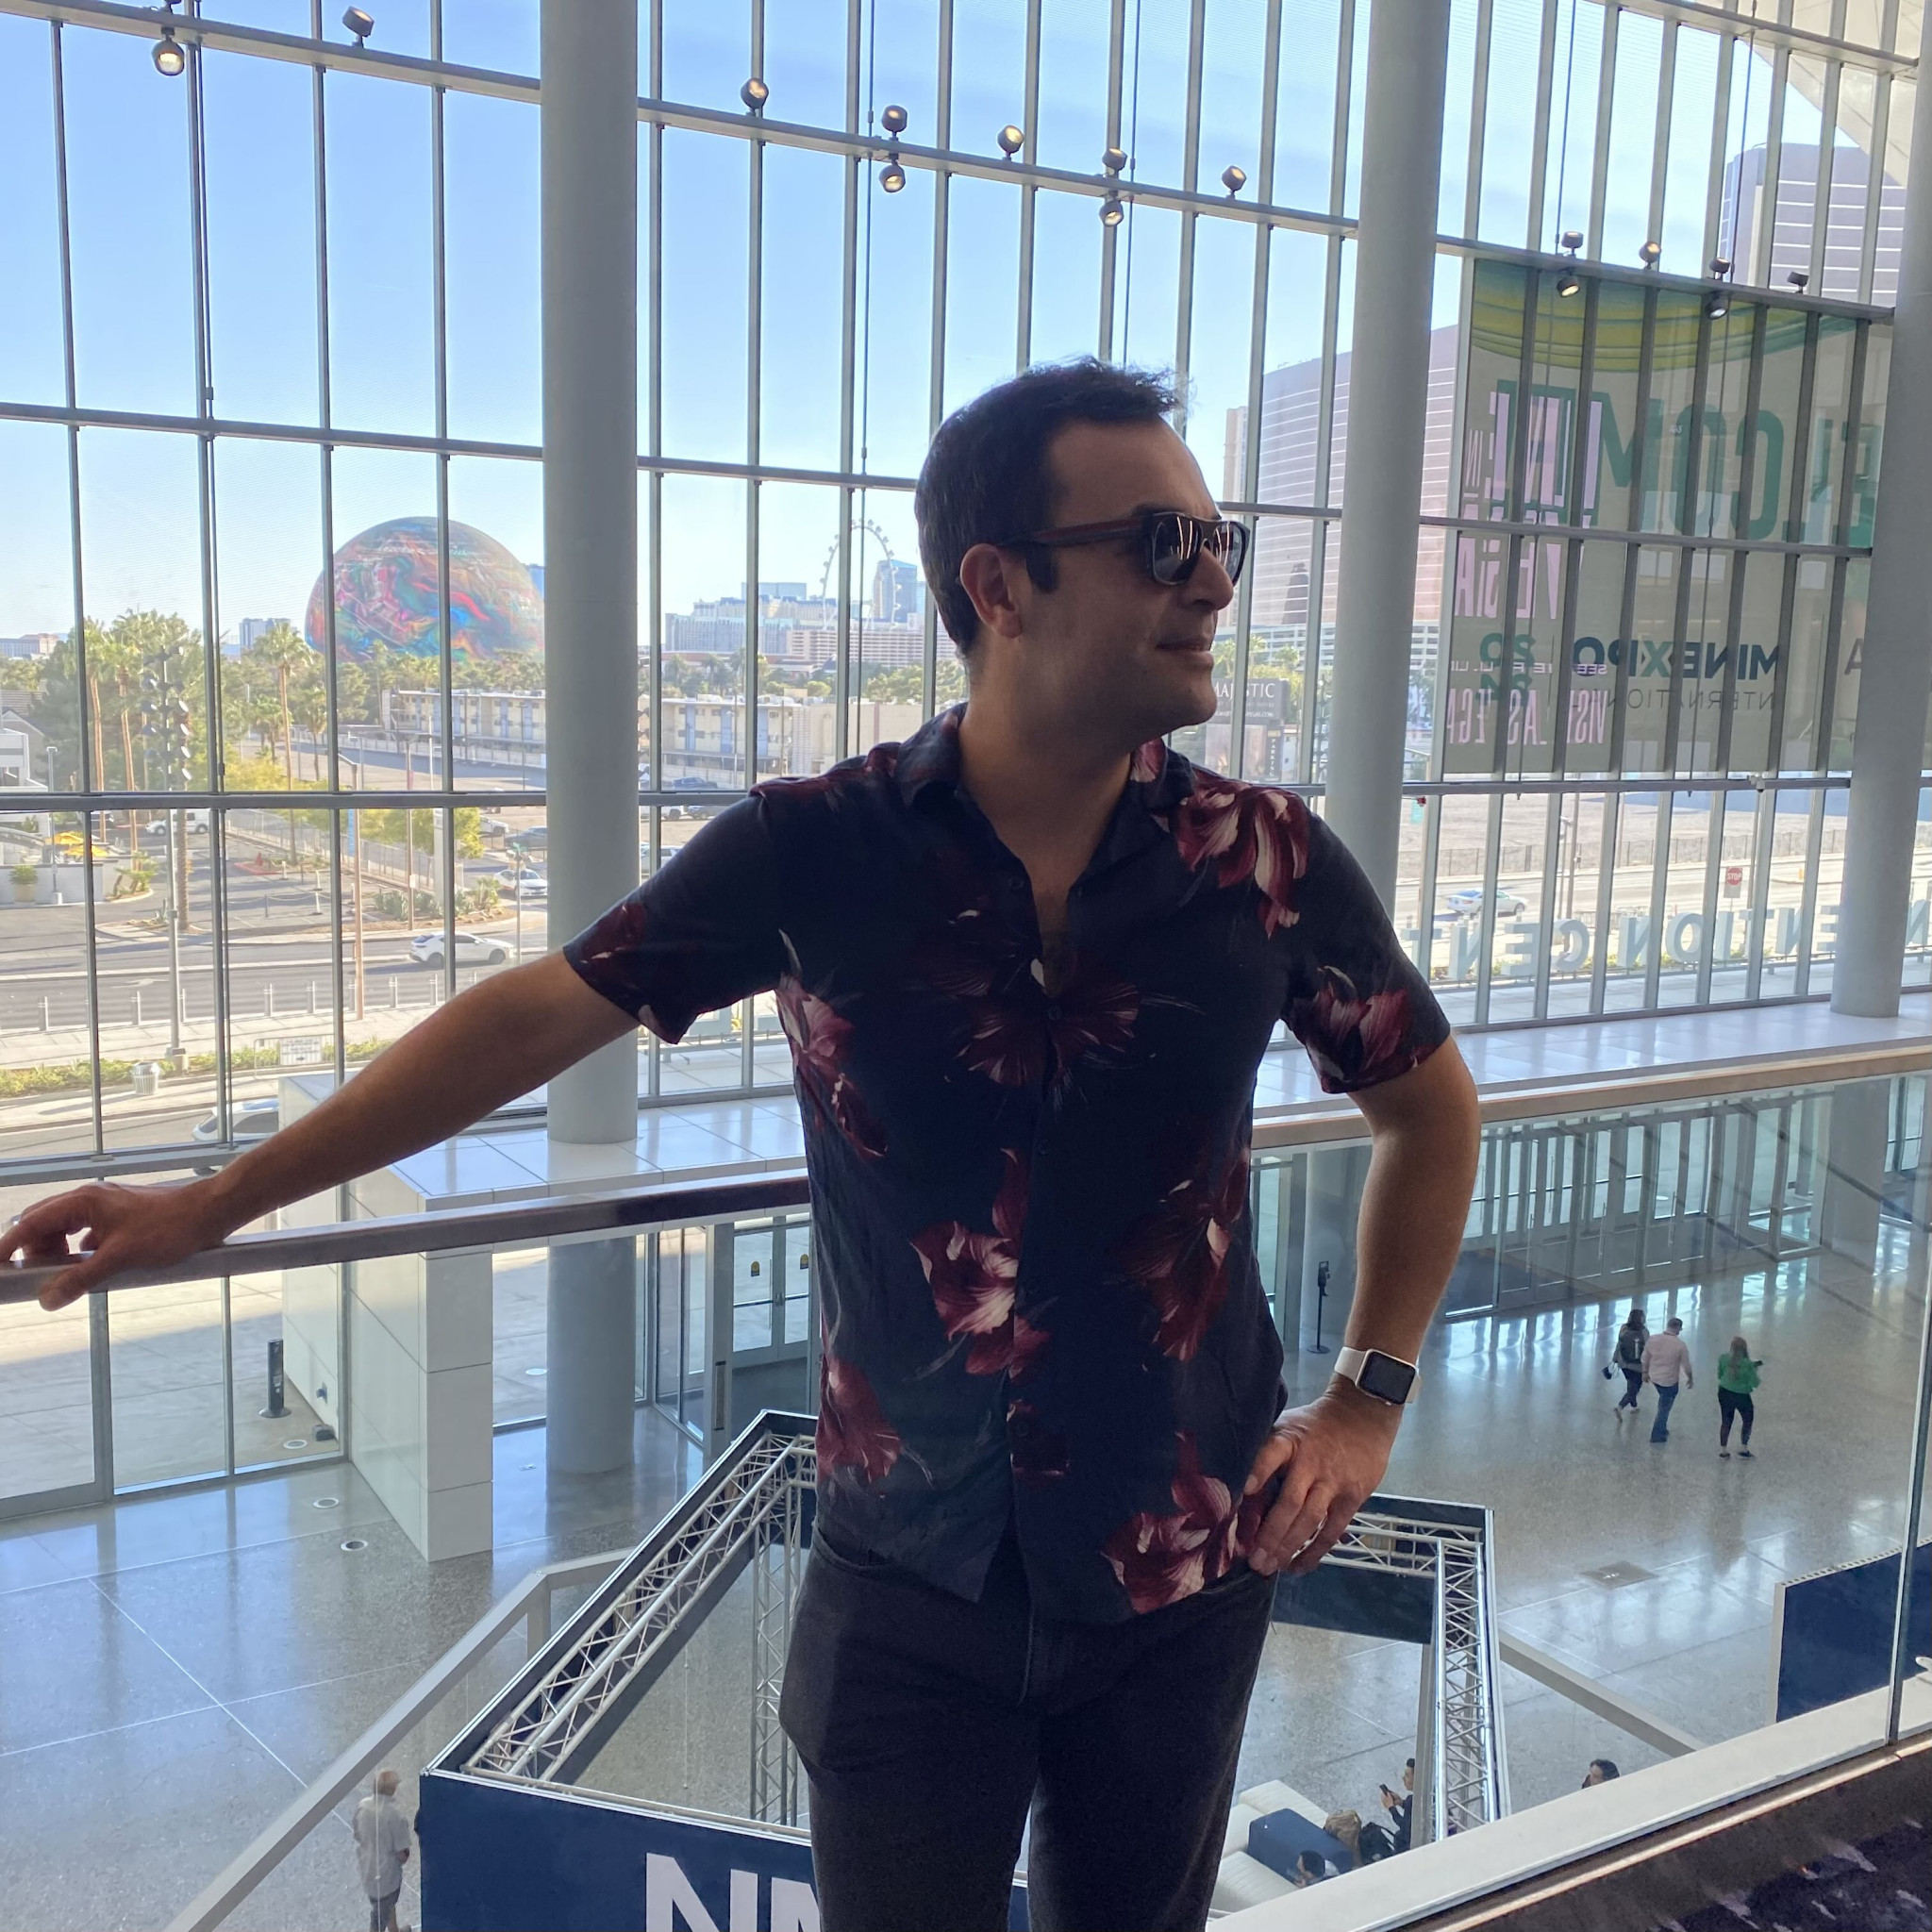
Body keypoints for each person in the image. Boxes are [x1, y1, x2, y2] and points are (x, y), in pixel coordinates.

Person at [9, 360, 1482, 1932]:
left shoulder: (1263, 862)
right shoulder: (818, 848)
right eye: (1161, 543)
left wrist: (1363, 1399)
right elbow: (531, 1016)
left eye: (1218, 538)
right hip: (906, 1592)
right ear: (998, 586)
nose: (1214, 581)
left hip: (1181, 1583)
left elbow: (1429, 1108)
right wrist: (216, 1203)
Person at [352, 1769, 411, 1932]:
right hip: (387, 1876)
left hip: (367, 1869)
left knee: (385, 1907)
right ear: (393, 1788)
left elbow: (357, 1834)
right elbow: (402, 1854)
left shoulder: (362, 1806)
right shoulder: (395, 1816)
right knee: (380, 1916)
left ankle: (394, 1930)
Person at [1641, 1316, 1693, 1443]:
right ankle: (1657, 1435)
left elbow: (1645, 1357)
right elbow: (1686, 1365)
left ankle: (1662, 1427)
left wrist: (1645, 1372)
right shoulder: (1680, 1345)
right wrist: (1690, 1378)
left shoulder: (1653, 1339)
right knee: (1664, 1409)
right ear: (1678, 1328)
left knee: (1663, 1403)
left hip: (1654, 1377)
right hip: (1669, 1381)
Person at [1717, 1336, 1762, 1458]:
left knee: (1726, 1421)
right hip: (1742, 1395)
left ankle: (1723, 1450)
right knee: (1747, 1420)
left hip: (1724, 1392)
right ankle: (1744, 1448)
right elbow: (1755, 1383)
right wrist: (1754, 1370)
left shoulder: (1723, 1358)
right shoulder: (1747, 1364)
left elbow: (1720, 1375)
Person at [1611, 1306, 1648, 1414]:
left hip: (1624, 1363)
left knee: (1631, 1384)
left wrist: (1615, 1358)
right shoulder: (1644, 1331)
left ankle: (1633, 1406)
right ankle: (1620, 1406)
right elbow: (1647, 1349)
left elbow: (1619, 1344)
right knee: (1635, 1389)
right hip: (1638, 1365)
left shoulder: (1624, 1328)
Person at [1379, 1757, 1415, 1852]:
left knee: (1399, 1837)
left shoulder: (1412, 1799)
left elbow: (1406, 1828)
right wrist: (1401, 1803)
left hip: (1415, 1844)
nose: (1403, 1778)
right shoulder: (1421, 1796)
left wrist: (1391, 1808)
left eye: (1407, 1775)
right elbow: (1414, 1809)